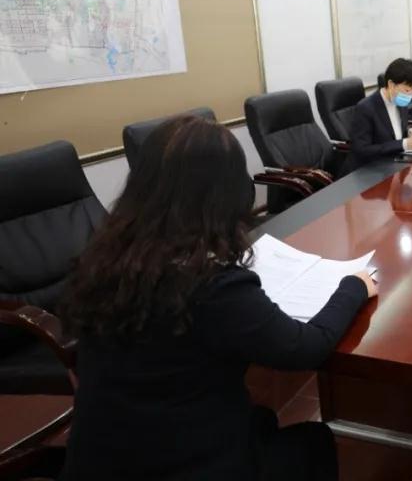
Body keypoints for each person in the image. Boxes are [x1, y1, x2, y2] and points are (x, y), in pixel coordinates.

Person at [59, 116, 377, 481]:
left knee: (258, 417)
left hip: (100, 459)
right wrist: (353, 286)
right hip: (183, 464)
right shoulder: (209, 285)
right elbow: (305, 349)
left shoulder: (103, 260)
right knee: (313, 441)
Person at [348, 58, 412, 167]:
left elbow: (393, 132)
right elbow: (362, 150)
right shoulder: (366, 108)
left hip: (395, 162)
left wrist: (409, 132)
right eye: (407, 90)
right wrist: (403, 144)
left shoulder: (400, 103)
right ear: (391, 84)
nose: (409, 96)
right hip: (371, 167)